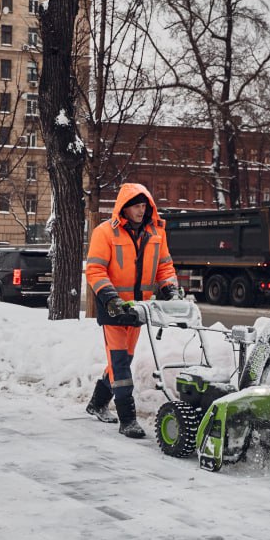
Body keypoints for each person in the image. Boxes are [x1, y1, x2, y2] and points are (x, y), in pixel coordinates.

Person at [84, 182, 179, 439]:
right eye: (136, 206)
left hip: (138, 310)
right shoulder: (105, 232)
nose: (141, 210)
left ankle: (97, 403)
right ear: (123, 208)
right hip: (112, 308)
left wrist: (169, 288)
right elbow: (95, 270)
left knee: (123, 360)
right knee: (120, 364)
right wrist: (110, 298)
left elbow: (165, 267)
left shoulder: (156, 234)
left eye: (144, 206)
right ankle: (128, 419)